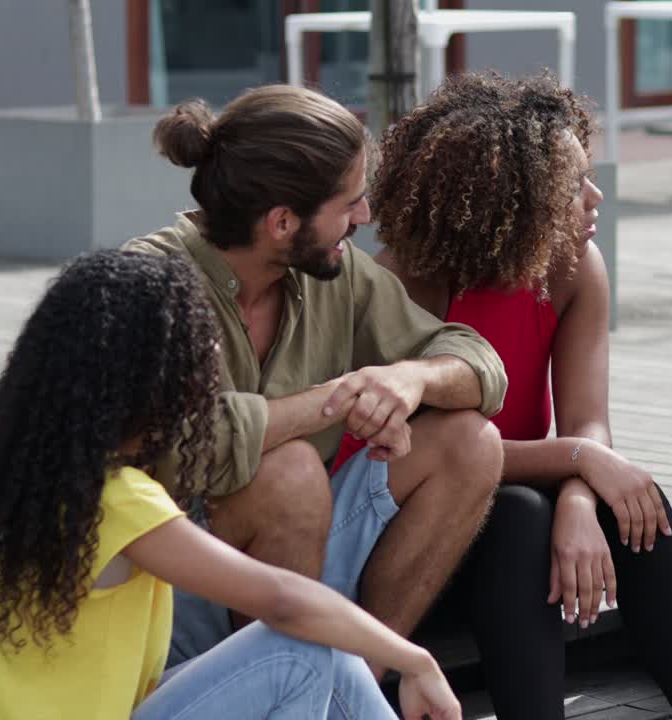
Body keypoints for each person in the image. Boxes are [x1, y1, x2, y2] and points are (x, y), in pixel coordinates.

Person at [333, 71, 672, 719]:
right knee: (521, 514)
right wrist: (578, 463)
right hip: (412, 548)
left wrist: (580, 496)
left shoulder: (571, 270)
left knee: (635, 499)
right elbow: (430, 458)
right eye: (570, 185)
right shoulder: (392, 289)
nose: (594, 195)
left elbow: (588, 426)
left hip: (521, 521)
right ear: (506, 200)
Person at [0, 251, 461, 720]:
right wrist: (414, 660)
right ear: (153, 378)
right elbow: (282, 600)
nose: (210, 365)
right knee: (298, 646)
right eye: (196, 350)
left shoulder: (35, 482)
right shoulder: (116, 500)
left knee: (327, 644)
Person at [122, 85, 507, 678]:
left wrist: (408, 378)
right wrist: (342, 398)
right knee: (290, 473)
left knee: (469, 442)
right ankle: (275, 693)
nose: (365, 218)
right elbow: (192, 449)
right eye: (349, 203)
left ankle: (352, 686)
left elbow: (477, 360)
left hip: (294, 562)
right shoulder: (149, 282)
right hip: (164, 585)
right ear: (282, 222)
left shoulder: (336, 272)